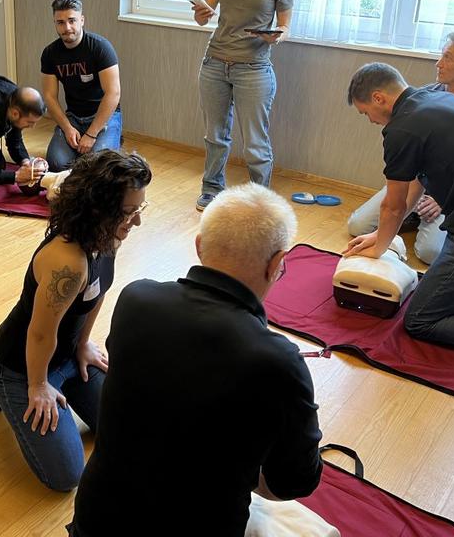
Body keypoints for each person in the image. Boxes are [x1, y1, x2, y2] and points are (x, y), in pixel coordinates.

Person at [69, 183, 323, 537]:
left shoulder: (135, 299)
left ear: (200, 246)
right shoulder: (277, 360)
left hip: (95, 523)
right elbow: (294, 482)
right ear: (278, 264)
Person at [0, 150, 152, 491]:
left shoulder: (109, 236)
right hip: (24, 365)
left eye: (140, 209)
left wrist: (83, 343)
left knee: (126, 428)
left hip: (66, 357)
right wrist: (37, 386)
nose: (136, 222)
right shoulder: (67, 262)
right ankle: (0, 389)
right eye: (128, 212)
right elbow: (41, 334)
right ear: (97, 211)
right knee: (66, 476)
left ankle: (46, 384)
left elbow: (99, 291)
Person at [345, 62, 454, 359]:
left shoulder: (402, 128)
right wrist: (381, 236)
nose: (370, 120)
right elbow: (416, 186)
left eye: (365, 113)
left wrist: (379, 248)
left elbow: (393, 204)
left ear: (379, 98)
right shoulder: (435, 98)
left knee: (420, 319)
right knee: (445, 294)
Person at [347, 33, 454, 264]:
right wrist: (398, 211)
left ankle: (413, 220)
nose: (439, 63)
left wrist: (441, 200)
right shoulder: (425, 96)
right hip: (421, 183)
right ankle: (410, 219)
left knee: (429, 253)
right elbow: (413, 173)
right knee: (358, 226)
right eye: (441, 55)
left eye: (448, 58)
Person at [192, 0, 294, 212]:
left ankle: (259, 199)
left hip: (255, 70)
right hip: (215, 64)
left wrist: (276, 35)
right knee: (215, 136)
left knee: (255, 143)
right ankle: (211, 189)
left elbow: (285, 25)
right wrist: (201, 12)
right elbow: (204, 17)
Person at [42, 0, 122, 172]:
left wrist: (92, 134)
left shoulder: (100, 47)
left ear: (82, 20)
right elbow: (49, 96)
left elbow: (113, 93)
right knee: (56, 164)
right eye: (60, 22)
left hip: (104, 116)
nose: (67, 27)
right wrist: (67, 128)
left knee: (99, 166)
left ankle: (107, 142)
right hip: (74, 117)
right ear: (55, 23)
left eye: (72, 20)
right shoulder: (50, 53)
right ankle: (84, 153)